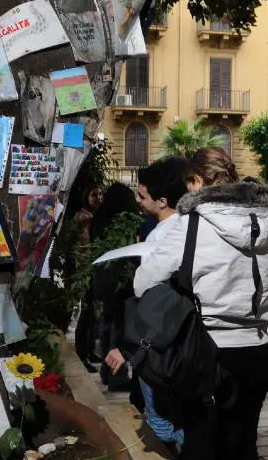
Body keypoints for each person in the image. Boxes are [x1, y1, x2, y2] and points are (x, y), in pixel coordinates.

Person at [134, 147, 268, 460]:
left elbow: (144, 281)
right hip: (260, 346)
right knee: (243, 445)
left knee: (201, 444)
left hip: (208, 350)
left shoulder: (190, 223)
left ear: (197, 181)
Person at [134, 157, 189, 454]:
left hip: (163, 333)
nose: (138, 201)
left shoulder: (162, 236)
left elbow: (146, 286)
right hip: (182, 333)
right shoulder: (188, 226)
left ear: (163, 200)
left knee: (162, 414)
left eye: (142, 196)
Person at [88, 182, 144, 409]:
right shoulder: (122, 220)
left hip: (102, 277)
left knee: (106, 323)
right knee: (118, 327)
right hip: (119, 278)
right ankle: (116, 373)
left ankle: (107, 369)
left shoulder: (100, 218)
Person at [74, 185, 104, 371]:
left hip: (93, 268)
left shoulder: (95, 216)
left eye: (101, 194)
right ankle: (82, 355)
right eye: (95, 194)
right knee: (86, 314)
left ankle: (90, 351)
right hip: (85, 269)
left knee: (93, 314)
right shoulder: (84, 217)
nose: (99, 197)